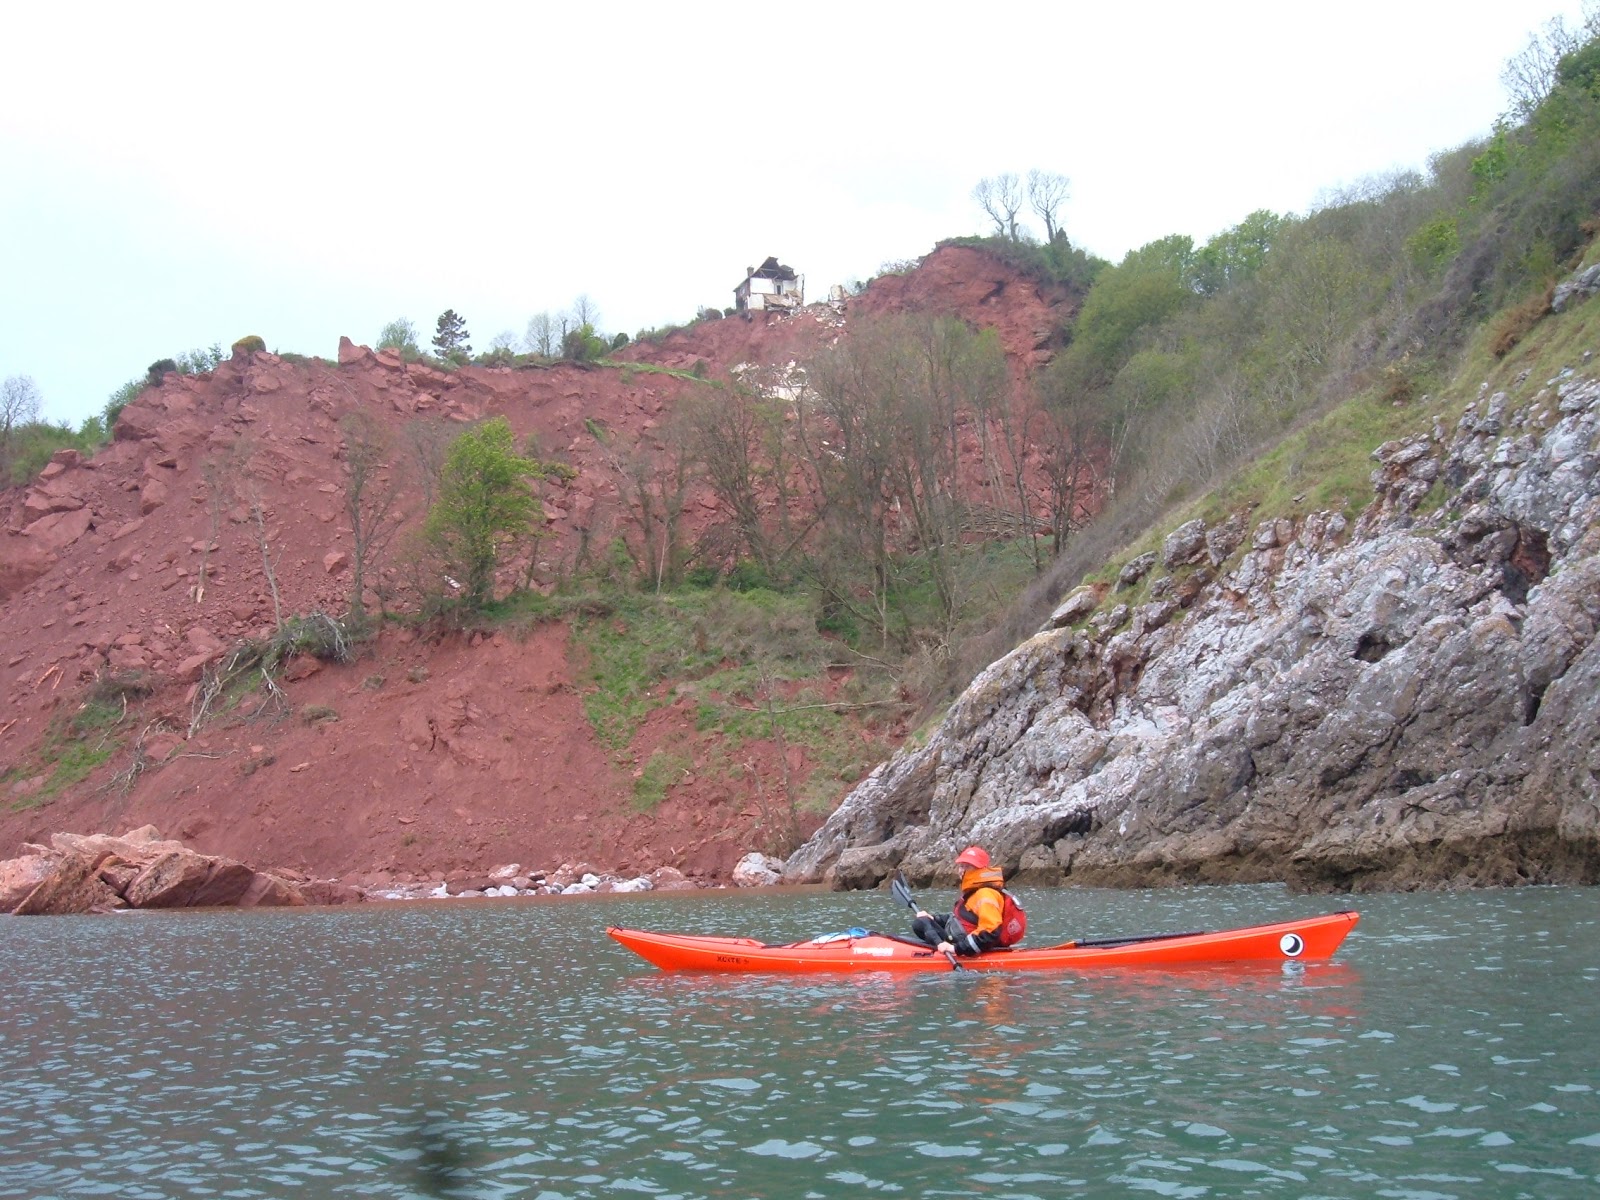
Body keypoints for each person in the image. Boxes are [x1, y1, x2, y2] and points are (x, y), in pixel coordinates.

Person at [911, 845, 1023, 957]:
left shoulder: (986, 894)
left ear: (980, 870)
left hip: (968, 946)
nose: (962, 871)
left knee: (921, 924)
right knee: (922, 922)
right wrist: (934, 919)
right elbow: (964, 919)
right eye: (961, 866)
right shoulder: (974, 891)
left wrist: (955, 949)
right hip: (962, 938)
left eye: (968, 867)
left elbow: (990, 932)